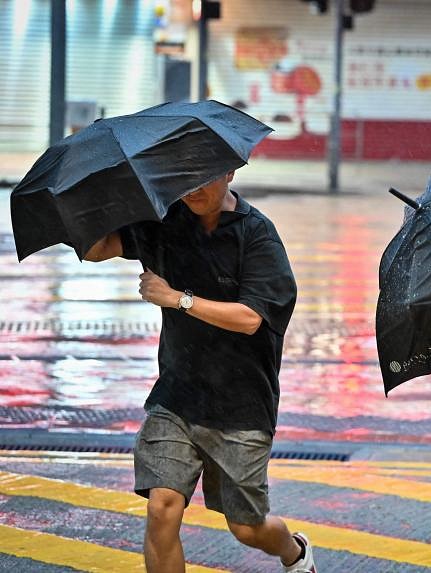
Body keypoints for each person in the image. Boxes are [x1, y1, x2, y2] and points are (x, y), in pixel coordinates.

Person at [84, 170, 316, 573]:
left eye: (204, 179)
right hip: (176, 396)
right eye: (184, 179)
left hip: (241, 406)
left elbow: (250, 318)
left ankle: (294, 552)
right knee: (163, 507)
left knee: (247, 528)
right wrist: (99, 200)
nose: (192, 189)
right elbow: (97, 249)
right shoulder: (164, 220)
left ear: (229, 172)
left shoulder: (256, 235)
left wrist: (176, 299)